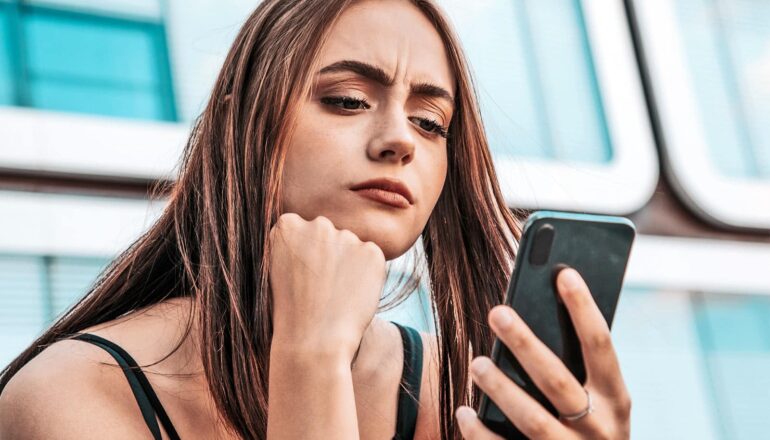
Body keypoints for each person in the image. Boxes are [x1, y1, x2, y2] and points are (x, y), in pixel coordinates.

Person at [0, 0, 632, 438]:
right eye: (348, 101)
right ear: (242, 125)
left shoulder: (455, 391)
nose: (399, 141)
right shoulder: (71, 394)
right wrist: (311, 358)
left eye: (430, 122)